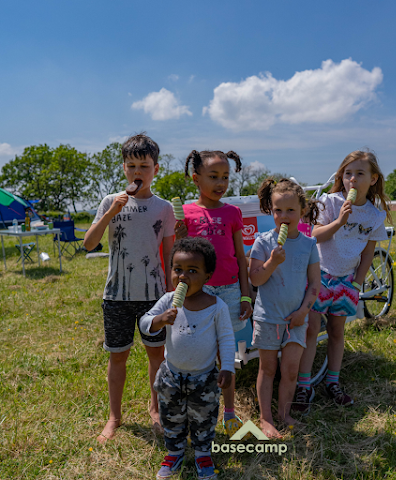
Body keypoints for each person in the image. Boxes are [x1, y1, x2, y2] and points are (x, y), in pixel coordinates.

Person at [83, 133, 175, 443]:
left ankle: (156, 409)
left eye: (144, 166)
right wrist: (111, 212)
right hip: (117, 295)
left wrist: (173, 291)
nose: (138, 172)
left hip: (153, 296)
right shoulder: (111, 201)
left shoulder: (164, 208)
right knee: (118, 357)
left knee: (156, 356)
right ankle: (114, 417)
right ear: (124, 168)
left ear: (156, 169)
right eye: (132, 165)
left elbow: (170, 254)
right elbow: (89, 243)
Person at [293, 150, 391, 412]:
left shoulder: (374, 215)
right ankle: (304, 386)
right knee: (312, 330)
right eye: (348, 173)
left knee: (337, 331)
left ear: (373, 179)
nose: (352, 179)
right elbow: (315, 235)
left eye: (360, 174)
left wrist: (357, 283)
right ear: (342, 177)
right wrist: (339, 221)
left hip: (346, 280)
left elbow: (369, 251)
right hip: (319, 276)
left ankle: (333, 382)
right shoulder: (331, 202)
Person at [139, 237, 235, 480]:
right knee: (172, 416)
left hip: (204, 377)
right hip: (171, 376)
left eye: (192, 271)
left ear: (207, 276)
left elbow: (225, 338)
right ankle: (175, 451)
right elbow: (144, 322)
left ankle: (203, 453)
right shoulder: (168, 301)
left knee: (204, 418)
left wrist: (227, 368)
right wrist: (159, 320)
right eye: (177, 269)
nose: (183, 277)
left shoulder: (217, 306)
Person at [174, 150, 253, 437]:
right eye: (213, 177)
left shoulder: (233, 212)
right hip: (200, 293)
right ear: (196, 179)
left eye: (225, 177)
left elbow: (240, 257)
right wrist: (180, 235)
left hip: (230, 291)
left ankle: (229, 414)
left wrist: (246, 295)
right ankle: (197, 410)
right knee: (200, 354)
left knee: (227, 355)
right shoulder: (185, 213)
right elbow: (182, 260)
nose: (220, 183)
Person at [249, 178, 322, 438]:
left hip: (296, 319)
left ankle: (284, 414)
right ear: (271, 211)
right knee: (267, 369)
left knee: (291, 370)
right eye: (278, 210)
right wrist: (271, 263)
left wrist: (304, 311)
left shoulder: (309, 244)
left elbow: (315, 283)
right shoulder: (263, 242)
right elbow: (255, 279)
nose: (284, 216)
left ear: (302, 211)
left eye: (290, 210)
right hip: (268, 317)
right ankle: (265, 418)